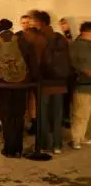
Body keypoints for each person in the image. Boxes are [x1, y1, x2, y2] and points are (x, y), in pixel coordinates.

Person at [0, 18, 37, 158]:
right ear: (11, 28)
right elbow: (31, 61)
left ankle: (8, 148)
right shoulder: (22, 40)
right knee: (18, 115)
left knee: (6, 115)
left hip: (3, 84)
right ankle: (18, 148)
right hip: (21, 83)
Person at [34, 11, 71, 154]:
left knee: (43, 115)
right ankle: (57, 145)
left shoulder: (39, 38)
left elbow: (36, 62)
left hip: (45, 84)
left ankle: (46, 145)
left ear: (40, 22)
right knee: (57, 115)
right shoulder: (59, 37)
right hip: (60, 83)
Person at [70, 22, 91, 149]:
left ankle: (82, 137)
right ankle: (76, 139)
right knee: (81, 114)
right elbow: (85, 68)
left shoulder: (78, 44)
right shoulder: (80, 46)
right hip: (82, 85)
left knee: (84, 114)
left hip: (84, 85)